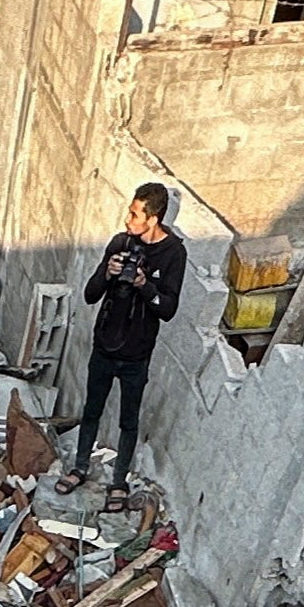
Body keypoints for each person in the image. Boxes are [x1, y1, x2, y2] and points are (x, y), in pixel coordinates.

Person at [72, 183, 186, 489]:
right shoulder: (120, 243)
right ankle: (79, 466)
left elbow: (168, 309)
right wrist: (107, 273)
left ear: (153, 219)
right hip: (104, 348)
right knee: (91, 410)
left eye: (135, 214)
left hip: (136, 356)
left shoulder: (173, 254)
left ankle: (118, 480)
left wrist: (145, 285)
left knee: (128, 421)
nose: (127, 219)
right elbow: (89, 294)